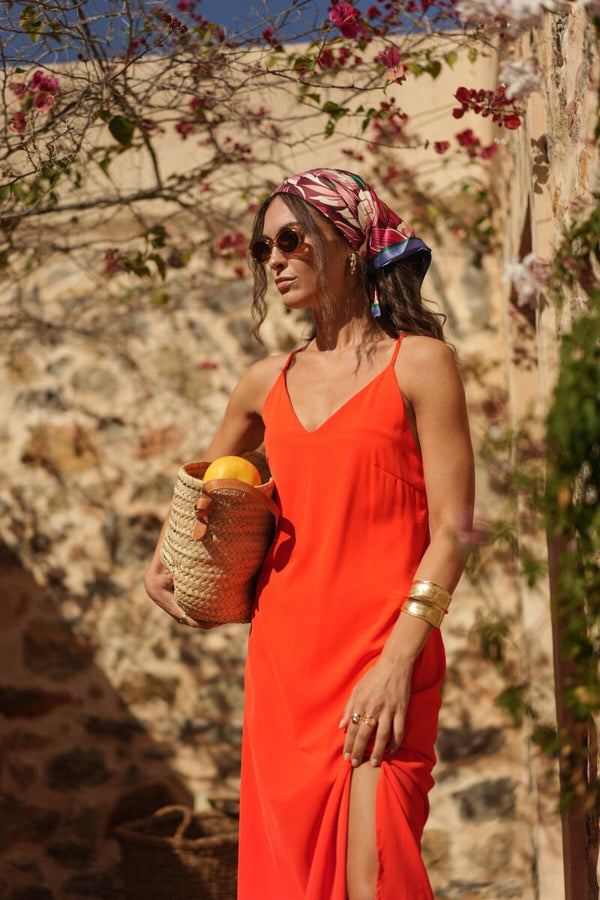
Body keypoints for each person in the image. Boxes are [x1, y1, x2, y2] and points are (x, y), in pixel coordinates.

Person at [145, 168, 474, 900]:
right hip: (285, 667)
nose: (275, 259)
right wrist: (165, 564)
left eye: (292, 239)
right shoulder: (264, 381)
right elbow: (201, 489)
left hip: (384, 654)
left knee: (376, 874)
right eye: (264, 248)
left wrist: (399, 659)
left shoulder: (419, 364)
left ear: (350, 243)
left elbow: (454, 531)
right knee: (290, 880)